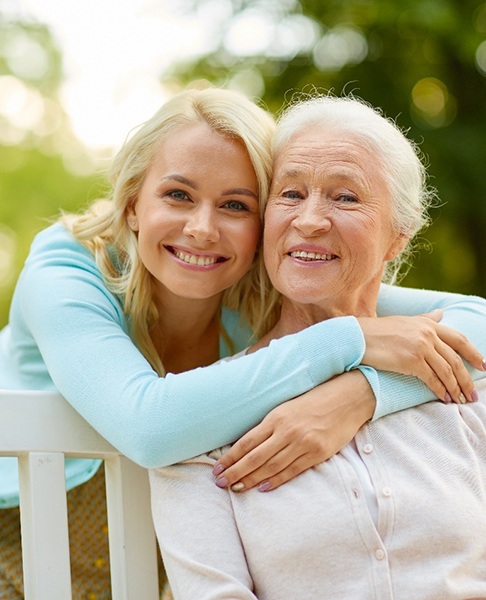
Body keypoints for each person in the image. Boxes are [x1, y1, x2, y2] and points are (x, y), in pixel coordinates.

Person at [0, 86, 484, 598]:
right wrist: (350, 338)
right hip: (20, 536)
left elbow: (475, 319)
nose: (203, 230)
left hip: (148, 560)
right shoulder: (67, 266)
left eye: (235, 204)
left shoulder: (255, 284)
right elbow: (150, 426)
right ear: (132, 202)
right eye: (177, 195)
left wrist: (360, 394)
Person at [149, 93, 486, 599]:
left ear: (399, 235)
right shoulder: (206, 417)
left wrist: (363, 392)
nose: (309, 220)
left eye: (345, 197)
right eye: (289, 195)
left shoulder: (460, 383)